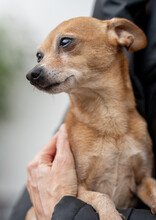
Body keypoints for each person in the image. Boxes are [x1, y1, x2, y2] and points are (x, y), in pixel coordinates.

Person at [9, 0, 156, 219]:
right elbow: (59, 190)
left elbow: (143, 182)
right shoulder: (72, 132)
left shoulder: (139, 128)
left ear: (120, 35)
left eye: (66, 43)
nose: (36, 70)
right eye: (40, 56)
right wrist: (102, 204)